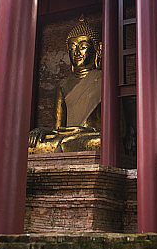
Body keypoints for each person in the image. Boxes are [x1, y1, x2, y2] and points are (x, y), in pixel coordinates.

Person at [29, 16, 102, 153]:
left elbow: (119, 130)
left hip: (89, 136)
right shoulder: (63, 84)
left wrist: (86, 130)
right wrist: (41, 131)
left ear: (98, 49)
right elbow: (58, 128)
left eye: (83, 47)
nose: (77, 52)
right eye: (72, 47)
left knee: (99, 142)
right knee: (32, 145)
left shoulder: (105, 79)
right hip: (66, 137)